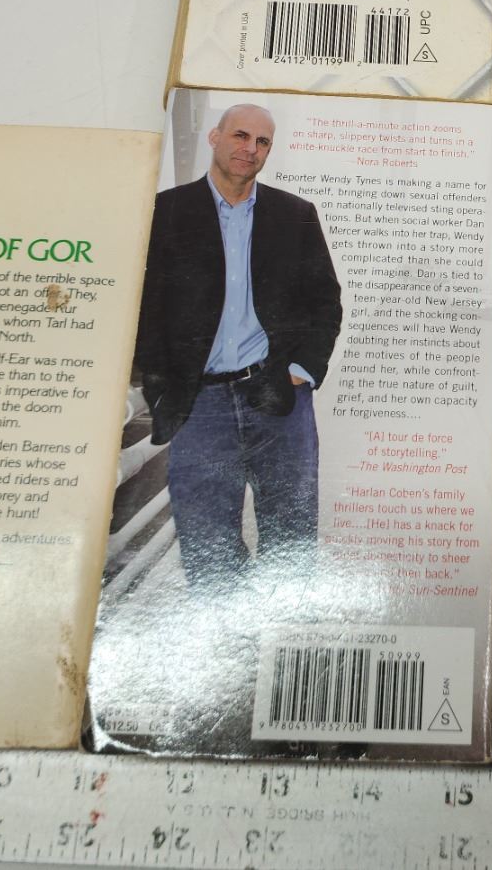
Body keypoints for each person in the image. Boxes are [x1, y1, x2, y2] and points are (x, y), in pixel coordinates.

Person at [134, 102, 342, 588]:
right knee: (207, 547)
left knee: (291, 542)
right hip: (198, 405)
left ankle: (280, 633)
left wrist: (303, 371)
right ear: (215, 137)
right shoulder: (166, 211)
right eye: (240, 136)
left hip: (278, 399)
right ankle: (230, 634)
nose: (250, 149)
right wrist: (161, 386)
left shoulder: (295, 215)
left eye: (262, 141)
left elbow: (325, 301)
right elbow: (146, 308)